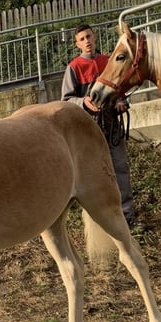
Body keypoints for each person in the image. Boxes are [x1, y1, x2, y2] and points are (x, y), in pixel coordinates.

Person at [61, 24, 138, 228]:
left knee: (120, 167)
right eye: (82, 39)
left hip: (112, 125)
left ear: (94, 37)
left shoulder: (108, 61)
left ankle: (127, 216)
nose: (86, 41)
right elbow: (66, 100)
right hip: (88, 129)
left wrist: (121, 103)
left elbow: (120, 90)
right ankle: (104, 220)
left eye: (88, 36)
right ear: (77, 44)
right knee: (95, 174)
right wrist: (83, 103)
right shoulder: (74, 68)